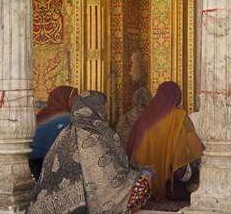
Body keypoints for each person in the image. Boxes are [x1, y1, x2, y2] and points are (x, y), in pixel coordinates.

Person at [26, 90, 155, 214]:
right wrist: (143, 173)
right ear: (96, 109)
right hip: (96, 203)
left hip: (54, 206)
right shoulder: (97, 135)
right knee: (146, 177)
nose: (106, 112)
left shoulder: (65, 133)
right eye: (104, 108)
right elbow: (111, 180)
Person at [126, 81, 204, 201]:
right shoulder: (178, 116)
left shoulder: (145, 118)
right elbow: (189, 148)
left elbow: (131, 150)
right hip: (171, 186)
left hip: (143, 183)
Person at [28, 85, 79, 181]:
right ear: (64, 99)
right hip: (53, 164)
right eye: (75, 97)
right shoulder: (68, 118)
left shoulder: (41, 114)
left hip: (32, 163)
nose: (77, 101)